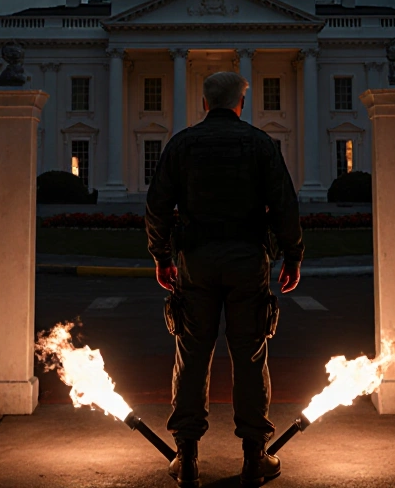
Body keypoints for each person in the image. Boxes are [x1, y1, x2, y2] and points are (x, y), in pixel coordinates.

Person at [145, 71, 304, 488]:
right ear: (241, 103)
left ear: (204, 103)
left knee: (192, 356)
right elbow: (285, 205)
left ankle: (188, 457)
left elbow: (157, 207)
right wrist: (293, 256)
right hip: (248, 259)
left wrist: (162, 257)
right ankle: (255, 457)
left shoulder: (182, 144)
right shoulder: (260, 144)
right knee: (250, 357)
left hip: (195, 260)